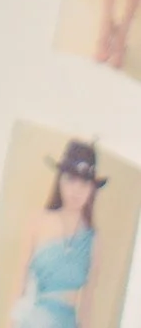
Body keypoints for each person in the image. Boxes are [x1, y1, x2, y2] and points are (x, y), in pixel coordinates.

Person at [14, 141, 104, 328]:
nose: (76, 190)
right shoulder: (38, 221)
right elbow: (19, 283)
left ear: (92, 189)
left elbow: (87, 303)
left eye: (84, 183)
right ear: (60, 179)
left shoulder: (93, 240)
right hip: (31, 321)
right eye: (71, 179)